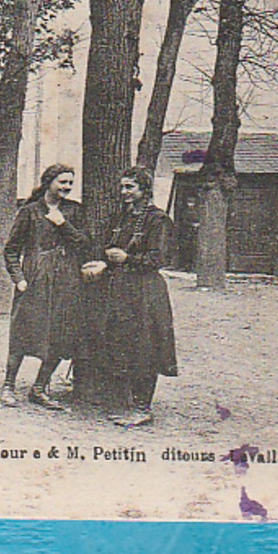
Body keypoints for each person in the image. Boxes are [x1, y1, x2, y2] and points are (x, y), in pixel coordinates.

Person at [88, 166, 178, 427]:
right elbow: (107, 248)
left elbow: (159, 258)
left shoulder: (158, 220)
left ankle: (143, 407)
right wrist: (105, 263)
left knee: (145, 347)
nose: (124, 192)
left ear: (144, 190)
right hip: (119, 289)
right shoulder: (121, 218)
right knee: (120, 342)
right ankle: (124, 401)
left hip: (145, 292)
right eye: (123, 186)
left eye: (130, 187)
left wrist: (128, 258)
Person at [0, 164, 91, 406]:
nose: (67, 187)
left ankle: (39, 388)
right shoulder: (30, 211)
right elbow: (10, 250)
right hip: (35, 279)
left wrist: (62, 224)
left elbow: (84, 244)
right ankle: (8, 385)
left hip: (66, 281)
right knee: (23, 331)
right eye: (62, 182)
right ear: (49, 181)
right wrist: (19, 279)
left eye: (70, 183)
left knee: (61, 335)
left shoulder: (74, 211)